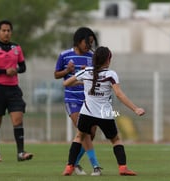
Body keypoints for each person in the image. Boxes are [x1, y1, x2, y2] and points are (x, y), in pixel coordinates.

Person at [62, 46, 145, 176]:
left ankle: (69, 167)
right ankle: (122, 168)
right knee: (116, 140)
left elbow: (66, 83)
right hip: (104, 114)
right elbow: (119, 94)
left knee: (79, 137)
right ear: (108, 60)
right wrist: (136, 109)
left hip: (86, 113)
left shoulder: (86, 71)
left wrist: (85, 83)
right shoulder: (111, 74)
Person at [0, 20, 33, 162]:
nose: (6, 33)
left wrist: (15, 70)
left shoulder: (16, 47)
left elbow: (23, 67)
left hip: (13, 89)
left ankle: (21, 153)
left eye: (8, 30)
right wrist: (4, 71)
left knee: (18, 119)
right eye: (3, 30)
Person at [54, 27, 100, 175]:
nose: (89, 45)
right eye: (87, 42)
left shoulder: (92, 57)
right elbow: (56, 74)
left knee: (91, 132)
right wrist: (67, 71)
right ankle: (96, 166)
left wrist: (90, 73)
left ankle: (74, 163)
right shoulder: (65, 55)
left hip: (89, 100)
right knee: (84, 130)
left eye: (92, 43)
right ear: (79, 40)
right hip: (72, 98)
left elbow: (97, 76)